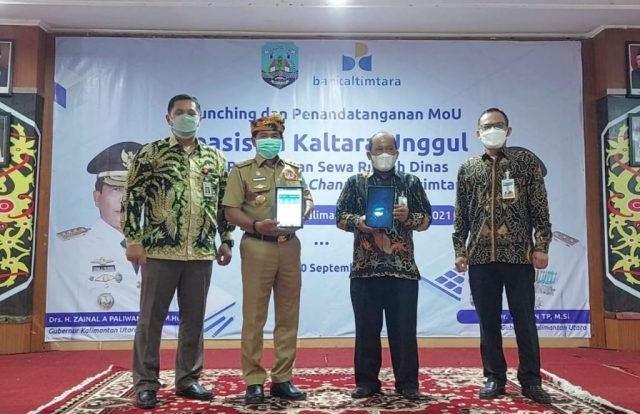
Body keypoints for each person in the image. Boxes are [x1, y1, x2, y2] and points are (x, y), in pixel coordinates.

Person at [121, 94, 235, 409]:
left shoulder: (215, 157)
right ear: (168, 118)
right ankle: (146, 383)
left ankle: (188, 379)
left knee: (194, 320)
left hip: (200, 252)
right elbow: (132, 198)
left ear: (201, 118)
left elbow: (222, 203)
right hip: (159, 251)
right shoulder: (151, 153)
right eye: (180, 112)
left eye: (191, 113)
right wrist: (133, 239)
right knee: (151, 320)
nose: (186, 117)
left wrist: (226, 239)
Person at [452, 108, 552, 404]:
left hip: (519, 256)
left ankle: (531, 380)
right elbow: (461, 214)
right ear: (477, 133)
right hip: (481, 257)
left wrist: (542, 245)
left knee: (524, 320)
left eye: (498, 125)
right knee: (488, 322)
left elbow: (540, 207)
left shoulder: (525, 163)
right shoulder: (468, 168)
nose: (492, 130)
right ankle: (494, 376)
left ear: (508, 131)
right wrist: (460, 250)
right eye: (486, 126)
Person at [223, 113, 313, 405]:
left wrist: (303, 213)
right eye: (263, 137)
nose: (269, 141)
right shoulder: (242, 171)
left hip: (289, 245)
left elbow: (308, 198)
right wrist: (255, 225)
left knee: (288, 314)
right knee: (254, 316)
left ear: (282, 139)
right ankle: (253, 380)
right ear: (253, 140)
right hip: (257, 245)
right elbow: (230, 210)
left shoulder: (293, 170)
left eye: (275, 137)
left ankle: (283, 378)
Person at [335, 131, 432, 401]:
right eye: (379, 150)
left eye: (389, 149)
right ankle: (366, 382)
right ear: (369, 154)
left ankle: (408, 383)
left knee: (404, 330)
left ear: (397, 153)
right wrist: (358, 221)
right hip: (365, 269)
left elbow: (427, 219)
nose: (384, 154)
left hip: (402, 270)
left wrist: (409, 217)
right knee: (366, 330)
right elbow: (339, 216)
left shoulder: (411, 182)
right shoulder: (355, 183)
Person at [51, 141, 143, 314]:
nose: (126, 200)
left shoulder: (162, 247)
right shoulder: (68, 249)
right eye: (116, 189)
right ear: (97, 198)